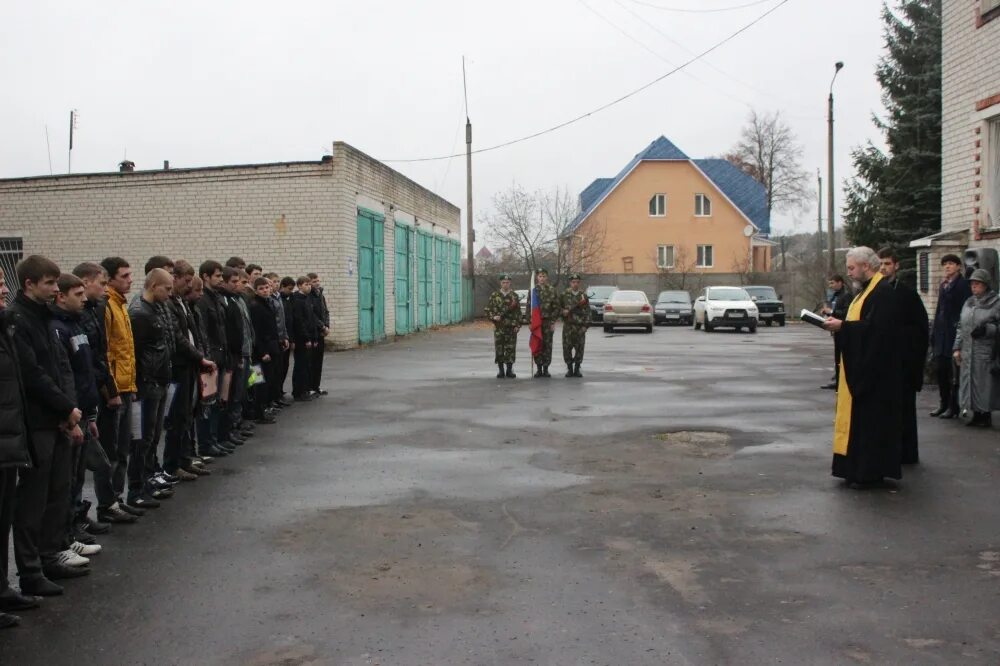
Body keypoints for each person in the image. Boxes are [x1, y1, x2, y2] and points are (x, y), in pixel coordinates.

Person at [7, 255, 88, 593]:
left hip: (58, 418)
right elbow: (33, 374)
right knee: (33, 499)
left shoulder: (45, 319)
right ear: (29, 284)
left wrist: (69, 410)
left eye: (57, 283)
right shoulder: (18, 320)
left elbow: (59, 367)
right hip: (38, 421)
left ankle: (50, 555)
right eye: (49, 283)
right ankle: (30, 570)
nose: (56, 289)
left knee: (57, 491)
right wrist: (65, 407)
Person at [823, 247, 903, 488]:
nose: (849, 273)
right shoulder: (865, 292)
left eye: (851, 268)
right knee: (859, 423)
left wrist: (844, 328)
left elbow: (878, 332)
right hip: (862, 368)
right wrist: (843, 326)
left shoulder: (883, 293)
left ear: (865, 266)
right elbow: (864, 325)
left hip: (877, 374)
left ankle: (869, 472)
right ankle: (853, 469)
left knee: (871, 424)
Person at [51, 274, 115, 554]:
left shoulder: (77, 324)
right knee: (67, 479)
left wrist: (90, 414)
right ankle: (66, 532)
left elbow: (88, 368)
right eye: (78, 293)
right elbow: (65, 377)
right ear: (61, 296)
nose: (85, 298)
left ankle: (75, 524)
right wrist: (73, 414)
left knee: (77, 476)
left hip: (85, 410)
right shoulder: (57, 329)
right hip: (71, 413)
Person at [70, 263, 135, 525]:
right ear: (85, 282)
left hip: (115, 387)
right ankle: (98, 508)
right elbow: (100, 358)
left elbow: (106, 353)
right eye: (103, 281)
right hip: (100, 392)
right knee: (103, 454)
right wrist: (109, 390)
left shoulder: (102, 308)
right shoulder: (92, 312)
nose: (104, 286)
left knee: (119, 449)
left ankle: (111, 502)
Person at [0, 266, 39, 627]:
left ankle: (1, 589)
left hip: (10, 438)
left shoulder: (6, 327)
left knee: (3, 519)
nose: (3, 288)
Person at [99, 257, 143, 516]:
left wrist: (132, 384)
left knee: (124, 447)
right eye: (124, 276)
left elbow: (128, 351)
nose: (130, 280)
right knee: (112, 449)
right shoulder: (107, 306)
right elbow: (105, 352)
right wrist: (111, 390)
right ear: (111, 278)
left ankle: (117, 497)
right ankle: (107, 504)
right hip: (114, 390)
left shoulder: (121, 305)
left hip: (127, 387)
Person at [164, 261, 216, 480]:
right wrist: (199, 357)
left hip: (190, 366)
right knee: (176, 419)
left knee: (187, 416)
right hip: (178, 368)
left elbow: (194, 333)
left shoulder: (181, 303)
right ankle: (171, 465)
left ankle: (185, 459)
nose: (189, 286)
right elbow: (178, 338)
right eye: (187, 281)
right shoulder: (169, 304)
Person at [128, 268, 175, 508]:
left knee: (153, 436)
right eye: (166, 288)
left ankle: (148, 481)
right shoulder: (139, 313)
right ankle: (136, 489)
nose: (169, 293)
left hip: (160, 380)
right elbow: (133, 353)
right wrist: (137, 383)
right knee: (142, 439)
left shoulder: (157, 308)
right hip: (147, 384)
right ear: (154, 285)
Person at [878, 248, 929, 463]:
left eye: (887, 264)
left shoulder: (907, 294)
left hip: (903, 363)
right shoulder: (875, 292)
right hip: (882, 363)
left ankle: (906, 454)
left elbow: (920, 329)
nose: (883, 268)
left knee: (905, 411)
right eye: (880, 264)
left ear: (896, 266)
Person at [194, 261, 232, 458]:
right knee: (208, 403)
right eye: (217, 276)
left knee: (217, 401)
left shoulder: (217, 298)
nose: (220, 279)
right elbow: (204, 334)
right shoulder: (203, 301)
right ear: (206, 276)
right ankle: (206, 442)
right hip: (210, 359)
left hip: (221, 355)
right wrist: (207, 359)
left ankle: (215, 438)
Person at [953, 269, 1000, 427]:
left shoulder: (996, 303)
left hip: (985, 350)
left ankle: (985, 414)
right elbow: (961, 326)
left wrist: (988, 330)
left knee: (984, 384)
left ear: (986, 285)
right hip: (968, 350)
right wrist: (957, 347)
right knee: (969, 382)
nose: (974, 287)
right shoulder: (969, 302)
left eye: (977, 284)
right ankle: (973, 411)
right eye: (972, 284)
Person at [930, 254, 972, 419]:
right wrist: (934, 331)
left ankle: (953, 406)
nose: (947, 267)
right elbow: (939, 308)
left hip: (954, 334)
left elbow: (964, 310)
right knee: (941, 371)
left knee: (953, 373)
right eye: (944, 264)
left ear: (958, 266)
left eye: (950, 264)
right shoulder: (943, 285)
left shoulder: (962, 285)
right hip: (941, 334)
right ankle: (943, 403)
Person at [249, 277, 281, 423]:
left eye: (267, 287)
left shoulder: (267, 304)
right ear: (255, 290)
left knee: (267, 381)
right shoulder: (255, 306)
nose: (265, 290)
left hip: (271, 349)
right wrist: (263, 352)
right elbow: (256, 332)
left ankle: (264, 409)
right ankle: (258, 413)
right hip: (260, 353)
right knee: (258, 382)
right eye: (261, 288)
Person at [484, 274, 521, 378]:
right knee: (499, 348)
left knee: (510, 348)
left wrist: (518, 325)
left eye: (507, 282)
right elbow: (487, 310)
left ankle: (509, 370)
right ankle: (501, 370)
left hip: (511, 327)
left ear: (510, 283)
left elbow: (518, 313)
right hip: (499, 327)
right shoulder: (495, 295)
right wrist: (493, 317)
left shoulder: (514, 296)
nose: (505, 284)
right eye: (503, 282)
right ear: (500, 283)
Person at [820, 275, 852, 390]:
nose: (831, 286)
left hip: (843, 329)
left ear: (840, 283)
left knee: (841, 356)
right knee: (837, 356)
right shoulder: (834, 296)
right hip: (836, 330)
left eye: (833, 283)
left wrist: (832, 311)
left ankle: (840, 381)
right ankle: (837, 379)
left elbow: (846, 312)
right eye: (830, 283)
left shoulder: (846, 295)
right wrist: (827, 313)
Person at [291, 277, 319, 400]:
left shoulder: (308, 299)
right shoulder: (297, 300)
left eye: (309, 284)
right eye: (306, 284)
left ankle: (306, 389)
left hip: (310, 337)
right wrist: (306, 338)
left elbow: (312, 319)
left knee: (307, 365)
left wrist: (315, 337)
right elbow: (299, 321)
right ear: (299, 286)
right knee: (300, 366)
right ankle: (298, 392)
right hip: (301, 339)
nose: (309, 286)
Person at [532, 268, 561, 378]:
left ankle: (546, 368)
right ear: (537, 278)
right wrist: (530, 322)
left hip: (548, 322)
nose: (542, 278)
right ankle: (539, 368)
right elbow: (530, 308)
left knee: (547, 345)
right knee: (538, 344)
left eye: (544, 276)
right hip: (537, 323)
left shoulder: (552, 290)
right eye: (540, 276)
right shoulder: (534, 290)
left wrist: (553, 321)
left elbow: (556, 307)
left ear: (547, 277)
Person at [560, 273, 590, 378]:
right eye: (573, 282)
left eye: (577, 282)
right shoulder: (564, 295)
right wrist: (563, 312)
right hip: (568, 326)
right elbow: (557, 308)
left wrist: (585, 326)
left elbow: (588, 312)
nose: (575, 284)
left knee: (580, 348)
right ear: (570, 283)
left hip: (579, 326)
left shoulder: (583, 296)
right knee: (567, 348)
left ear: (579, 283)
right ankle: (569, 369)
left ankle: (577, 369)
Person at [307, 272, 330, 396]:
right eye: (314, 281)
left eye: (317, 281)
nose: (317, 283)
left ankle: (316, 386)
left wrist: (327, 326)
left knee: (318, 361)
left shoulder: (320, 294)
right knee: (311, 361)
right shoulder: (308, 296)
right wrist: (321, 326)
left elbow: (326, 311)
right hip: (313, 333)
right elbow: (312, 315)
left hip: (321, 333)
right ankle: (309, 386)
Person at [278, 277, 297, 396]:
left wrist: (291, 339)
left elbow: (291, 321)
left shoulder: (289, 300)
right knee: (275, 370)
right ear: (283, 286)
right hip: (275, 342)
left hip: (286, 338)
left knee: (285, 366)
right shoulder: (278, 300)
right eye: (289, 289)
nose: (291, 291)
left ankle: (279, 391)